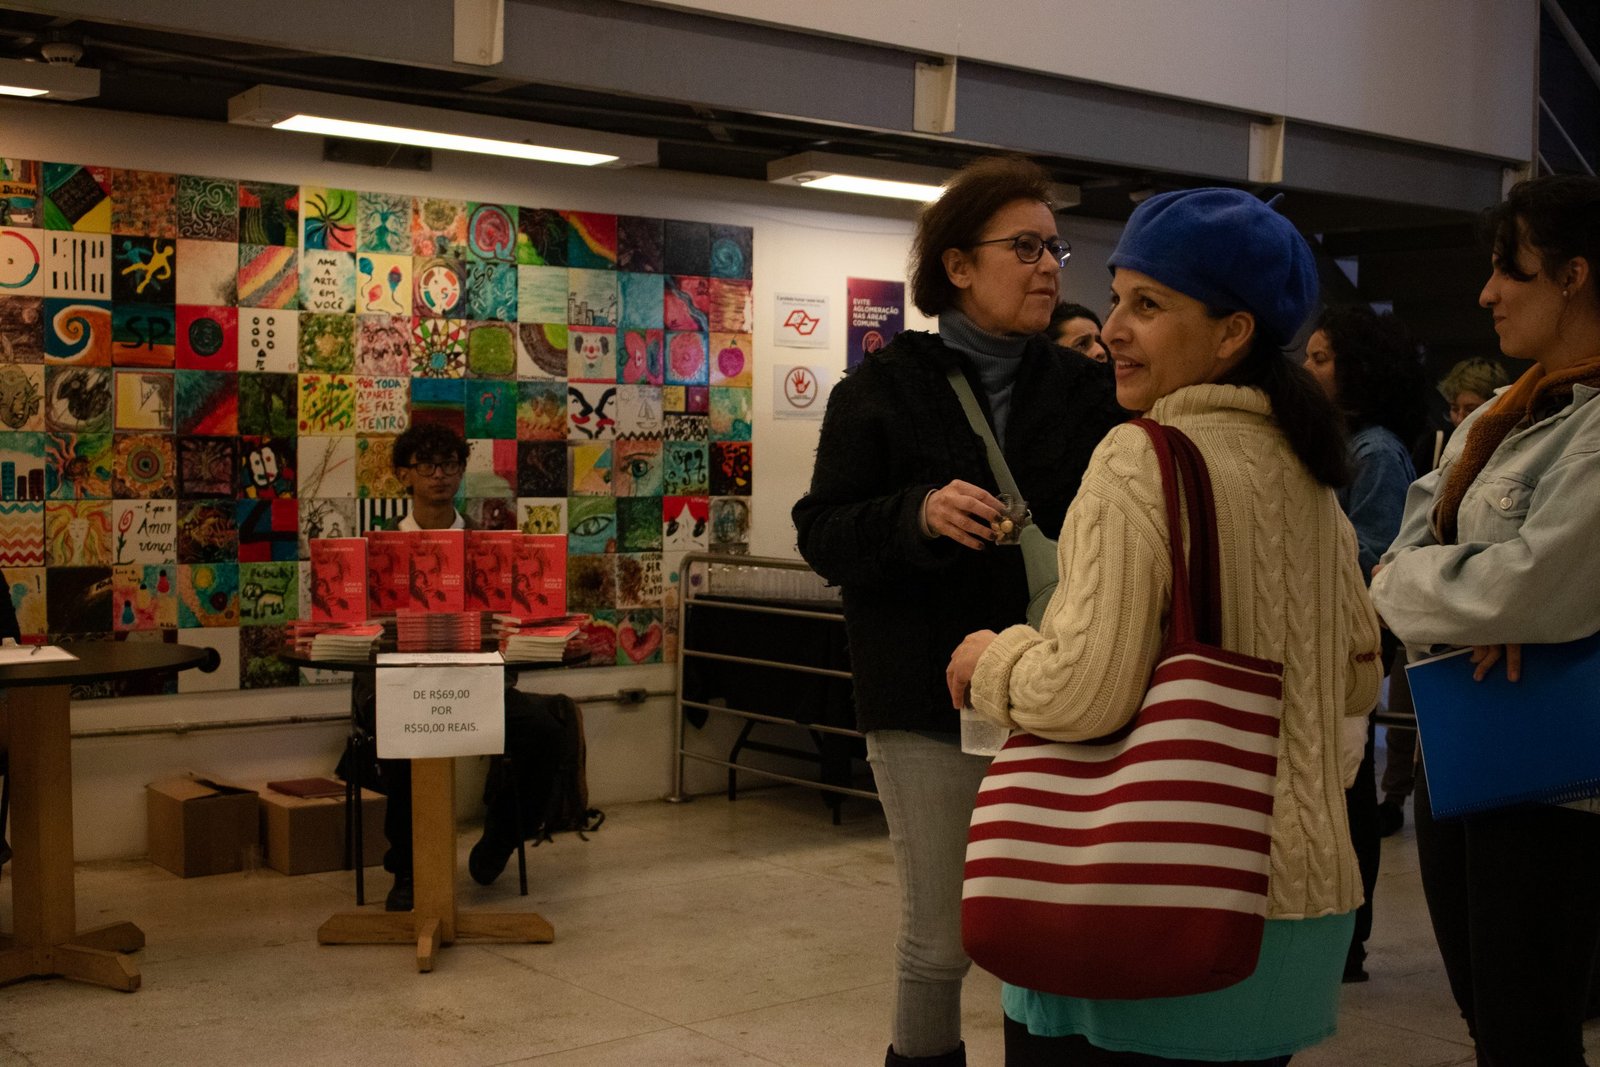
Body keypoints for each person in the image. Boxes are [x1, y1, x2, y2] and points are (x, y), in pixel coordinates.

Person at [947, 187, 1382, 1065]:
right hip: (1297, 912)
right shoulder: (1311, 471)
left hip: (1149, 901)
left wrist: (995, 661)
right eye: (1115, 297)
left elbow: (1083, 691)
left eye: (1148, 305)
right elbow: (1359, 674)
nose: (1111, 328)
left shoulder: (1140, 458)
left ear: (1232, 332)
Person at [792, 155, 1125, 1067]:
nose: (1051, 264)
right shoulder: (881, 391)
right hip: (925, 700)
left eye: (1055, 245)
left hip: (1063, 691)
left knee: (1045, 931)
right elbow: (821, 531)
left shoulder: (1087, 390)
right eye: (1024, 246)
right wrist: (916, 513)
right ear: (957, 266)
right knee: (941, 936)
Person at [1369, 173, 1600, 1066]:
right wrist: (1475, 595)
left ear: (1575, 276)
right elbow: (1393, 560)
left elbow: (1538, 585)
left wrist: (1497, 598)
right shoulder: (1502, 417)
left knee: (1527, 1028)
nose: (1486, 292)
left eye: (1513, 272)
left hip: (1557, 764)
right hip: (1460, 736)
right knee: (1489, 1016)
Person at [352, 423, 562, 910]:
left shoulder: (485, 545)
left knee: (546, 733)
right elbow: (361, 627)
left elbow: (509, 618)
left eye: (449, 465)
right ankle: (407, 871)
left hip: (477, 680)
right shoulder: (380, 548)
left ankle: (500, 840)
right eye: (425, 465)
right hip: (402, 681)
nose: (439, 475)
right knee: (404, 729)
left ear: (462, 471)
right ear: (403, 474)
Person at [1303, 305, 1429, 981]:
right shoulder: (1340, 442)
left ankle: (1349, 942)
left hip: (1346, 644)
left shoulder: (1375, 452)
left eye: (1322, 358)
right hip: (1324, 638)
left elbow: (1372, 560)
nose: (1307, 369)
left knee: (1348, 791)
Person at [1379, 355, 1511, 836]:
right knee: (1404, 702)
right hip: (1432, 613)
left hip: (1472, 627)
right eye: (1454, 408)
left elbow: (1514, 570)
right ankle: (1395, 794)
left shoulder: (1512, 434)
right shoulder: (1436, 444)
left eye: (1469, 406)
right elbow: (1397, 556)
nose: (1459, 417)